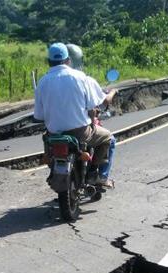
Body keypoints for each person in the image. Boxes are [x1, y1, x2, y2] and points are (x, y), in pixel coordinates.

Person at [33, 42, 117, 187]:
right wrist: (113, 92)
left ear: (49, 62)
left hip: (54, 135)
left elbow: (39, 116)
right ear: (68, 61)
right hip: (80, 134)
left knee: (48, 144)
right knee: (109, 139)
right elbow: (96, 104)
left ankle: (55, 171)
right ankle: (95, 175)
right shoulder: (80, 77)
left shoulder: (42, 82)